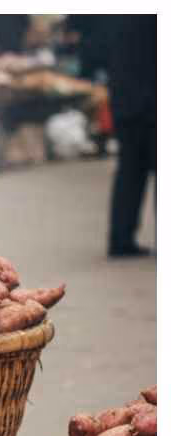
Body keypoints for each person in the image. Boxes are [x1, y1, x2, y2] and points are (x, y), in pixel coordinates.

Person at [102, 15, 155, 258]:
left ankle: (120, 239)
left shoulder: (118, 17)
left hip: (124, 102)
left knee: (129, 172)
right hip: (151, 103)